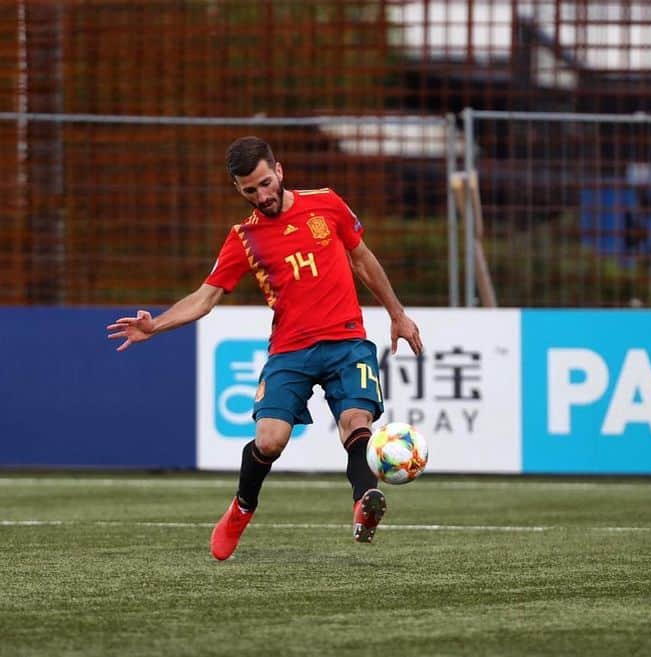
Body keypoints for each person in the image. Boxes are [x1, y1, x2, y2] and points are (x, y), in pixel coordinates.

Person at [107, 136, 423, 560]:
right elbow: (205, 297)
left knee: (355, 421)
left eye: (265, 183)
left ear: (280, 171)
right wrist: (156, 326)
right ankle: (241, 509)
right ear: (239, 190)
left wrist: (397, 314)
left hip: (348, 341)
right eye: (249, 190)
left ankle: (364, 504)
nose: (262, 195)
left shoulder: (327, 204)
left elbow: (362, 259)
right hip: (290, 351)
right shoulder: (244, 238)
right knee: (270, 440)